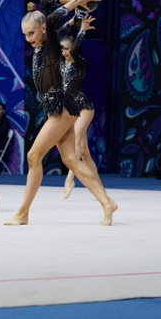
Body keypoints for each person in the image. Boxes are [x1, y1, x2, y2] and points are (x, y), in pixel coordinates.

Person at [5, 0, 117, 226]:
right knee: (70, 160)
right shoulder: (43, 42)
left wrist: (75, 2)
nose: (29, 38)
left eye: (32, 33)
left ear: (43, 28)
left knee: (34, 155)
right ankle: (107, 202)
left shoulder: (53, 42)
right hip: (58, 107)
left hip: (60, 107)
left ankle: (23, 213)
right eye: (25, 35)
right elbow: (45, 1)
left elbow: (52, 16)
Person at [57, 15, 100, 199]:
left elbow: (74, 49)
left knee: (74, 142)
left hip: (83, 108)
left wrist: (81, 30)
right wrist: (68, 24)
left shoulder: (79, 62)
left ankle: (70, 178)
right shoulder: (58, 63)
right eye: (62, 49)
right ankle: (99, 187)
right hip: (70, 108)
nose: (65, 52)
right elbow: (54, 37)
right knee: (83, 151)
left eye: (68, 49)